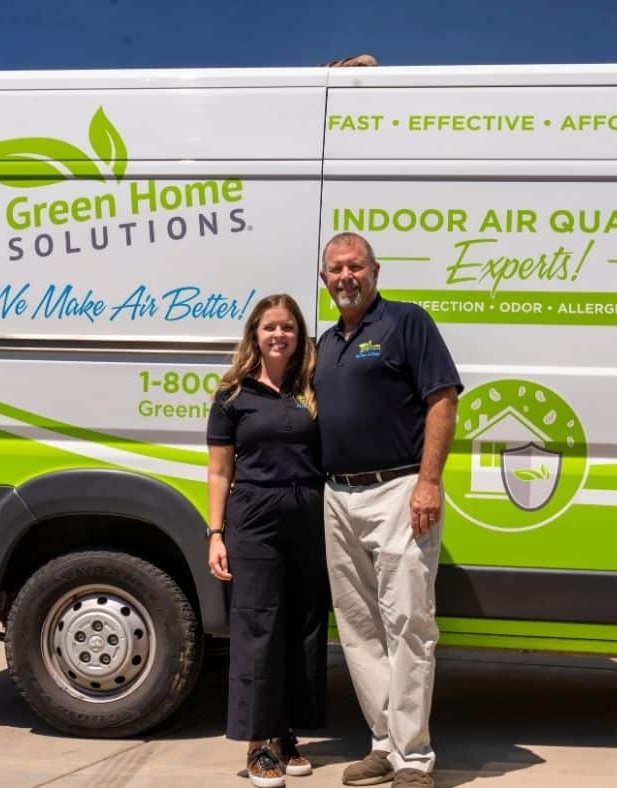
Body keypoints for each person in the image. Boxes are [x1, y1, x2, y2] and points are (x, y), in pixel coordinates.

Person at [314, 233, 462, 788]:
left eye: (355, 266)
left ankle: (414, 759)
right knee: (358, 630)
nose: (346, 276)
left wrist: (429, 481)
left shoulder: (406, 322)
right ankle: (383, 744)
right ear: (324, 279)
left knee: (409, 626)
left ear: (375, 271)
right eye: (336, 269)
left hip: (399, 491)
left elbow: (442, 399)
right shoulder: (328, 343)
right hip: (338, 496)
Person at [207, 293, 329, 788]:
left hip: (309, 513)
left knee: (303, 623)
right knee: (259, 625)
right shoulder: (233, 395)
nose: (279, 335)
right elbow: (219, 470)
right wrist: (216, 533)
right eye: (270, 327)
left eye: (288, 328)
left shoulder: (312, 389)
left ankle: (286, 733)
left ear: (300, 337)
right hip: (253, 515)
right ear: (254, 335)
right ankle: (257, 743)